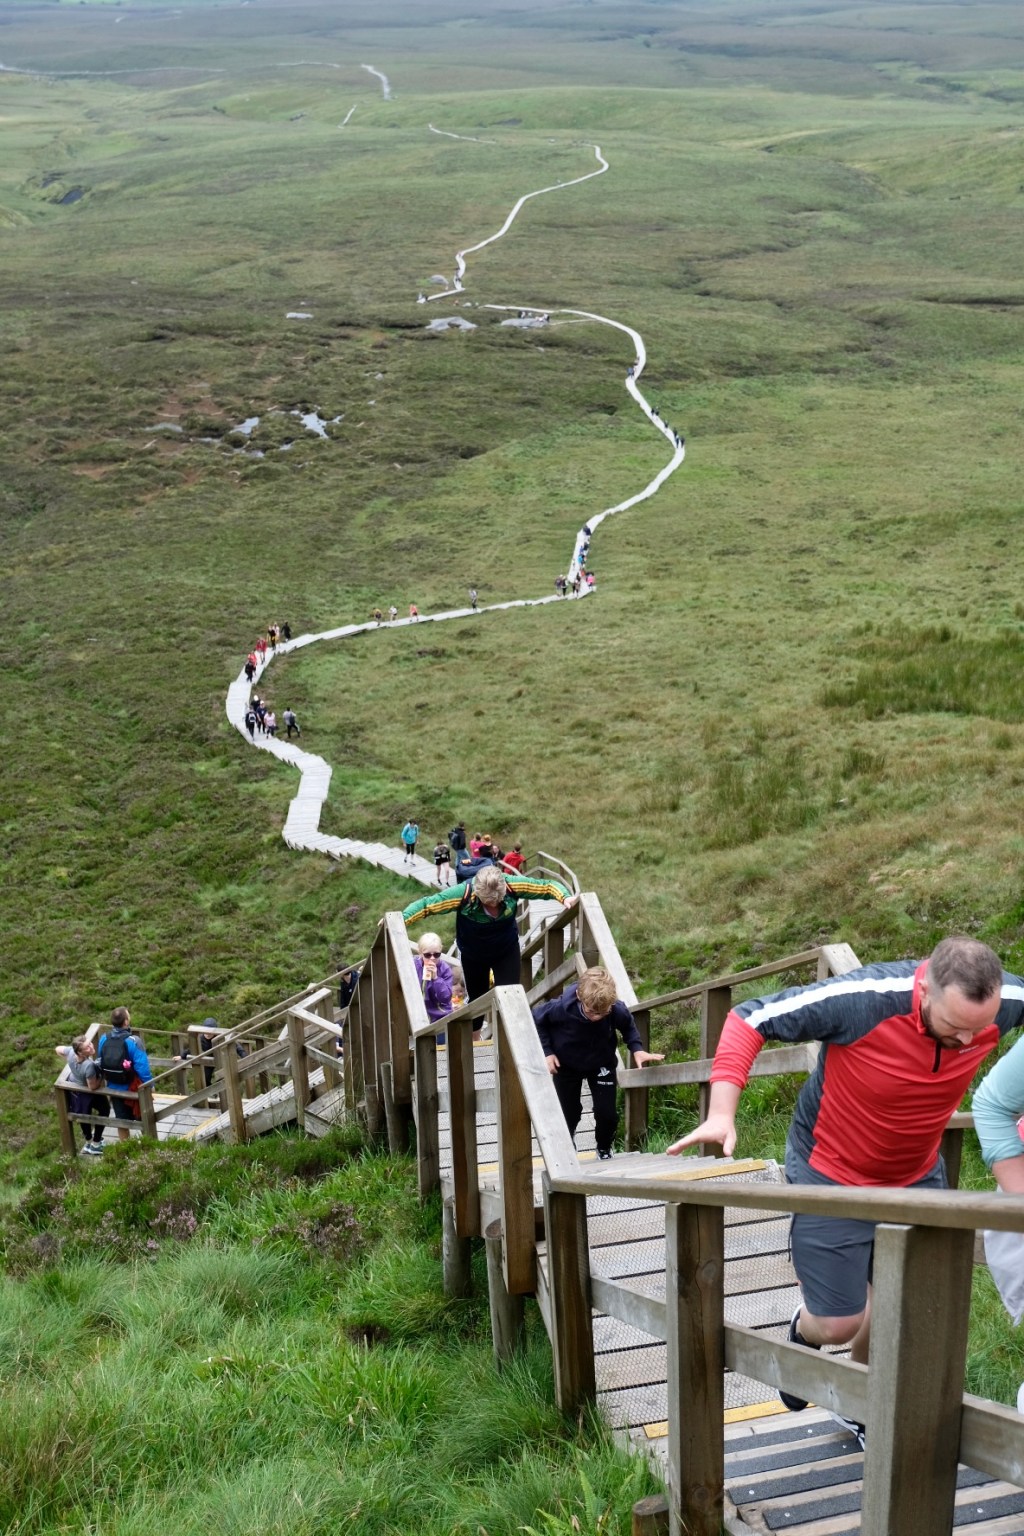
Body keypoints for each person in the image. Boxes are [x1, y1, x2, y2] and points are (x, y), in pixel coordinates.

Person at [666, 936, 1024, 1448]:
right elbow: (749, 1018)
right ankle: (804, 1329)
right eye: (954, 1029)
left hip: (916, 1174)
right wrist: (722, 1112)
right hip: (831, 1170)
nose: (968, 1042)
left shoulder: (1007, 1003)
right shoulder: (866, 999)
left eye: (979, 1030)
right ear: (924, 988)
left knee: (901, 1306)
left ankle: (863, 1404)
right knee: (840, 1321)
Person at [533, 967, 663, 1159]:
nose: (597, 1017)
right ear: (579, 996)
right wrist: (547, 1052)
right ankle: (567, 1143)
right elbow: (537, 1019)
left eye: (603, 1013)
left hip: (601, 1063)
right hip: (567, 1064)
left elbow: (627, 1026)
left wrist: (637, 1048)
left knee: (607, 1113)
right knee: (569, 1111)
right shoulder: (561, 1008)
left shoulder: (614, 1009)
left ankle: (604, 1147)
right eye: (592, 1012)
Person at [403, 864, 575, 1007]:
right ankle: (476, 1039)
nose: (493, 906)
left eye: (498, 902)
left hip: (506, 951)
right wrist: (401, 919)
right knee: (477, 1000)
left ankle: (508, 1043)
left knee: (511, 997)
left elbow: (546, 886)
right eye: (488, 903)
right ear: (478, 893)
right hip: (473, 955)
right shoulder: (463, 893)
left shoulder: (512, 885)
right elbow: (427, 905)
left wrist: (565, 897)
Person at [96, 1006, 153, 1142]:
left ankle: (125, 1147)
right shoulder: (133, 1041)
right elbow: (142, 1068)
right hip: (133, 1088)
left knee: (121, 1120)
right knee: (144, 1118)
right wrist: (150, 1085)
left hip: (113, 1087)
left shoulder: (104, 1038)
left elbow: (100, 1060)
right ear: (126, 1022)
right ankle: (149, 1146)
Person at [54, 1036, 109, 1154]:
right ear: (80, 1052)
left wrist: (67, 1059)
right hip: (87, 1092)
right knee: (105, 1110)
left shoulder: (71, 1052)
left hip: (76, 1091)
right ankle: (96, 1144)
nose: (91, 1047)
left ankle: (89, 1142)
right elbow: (92, 1087)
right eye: (87, 1047)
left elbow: (58, 1049)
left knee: (83, 1114)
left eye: (90, 1044)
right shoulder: (89, 1065)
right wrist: (102, 1076)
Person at [414, 932, 454, 1031]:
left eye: (436, 954)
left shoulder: (445, 969)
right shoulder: (414, 964)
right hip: (418, 1015)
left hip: (440, 1016)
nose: (432, 958)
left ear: (441, 950)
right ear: (420, 952)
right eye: (427, 955)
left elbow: (445, 998)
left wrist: (436, 978)